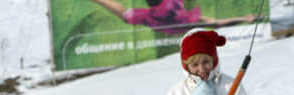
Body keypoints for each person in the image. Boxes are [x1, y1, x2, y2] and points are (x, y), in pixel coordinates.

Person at [90, 0, 260, 35]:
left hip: (170, 21)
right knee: (211, 23)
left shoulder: (149, 13)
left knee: (125, 15)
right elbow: (216, 23)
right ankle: (245, 18)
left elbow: (123, 13)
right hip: (178, 22)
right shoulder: (171, 6)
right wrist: (243, 18)